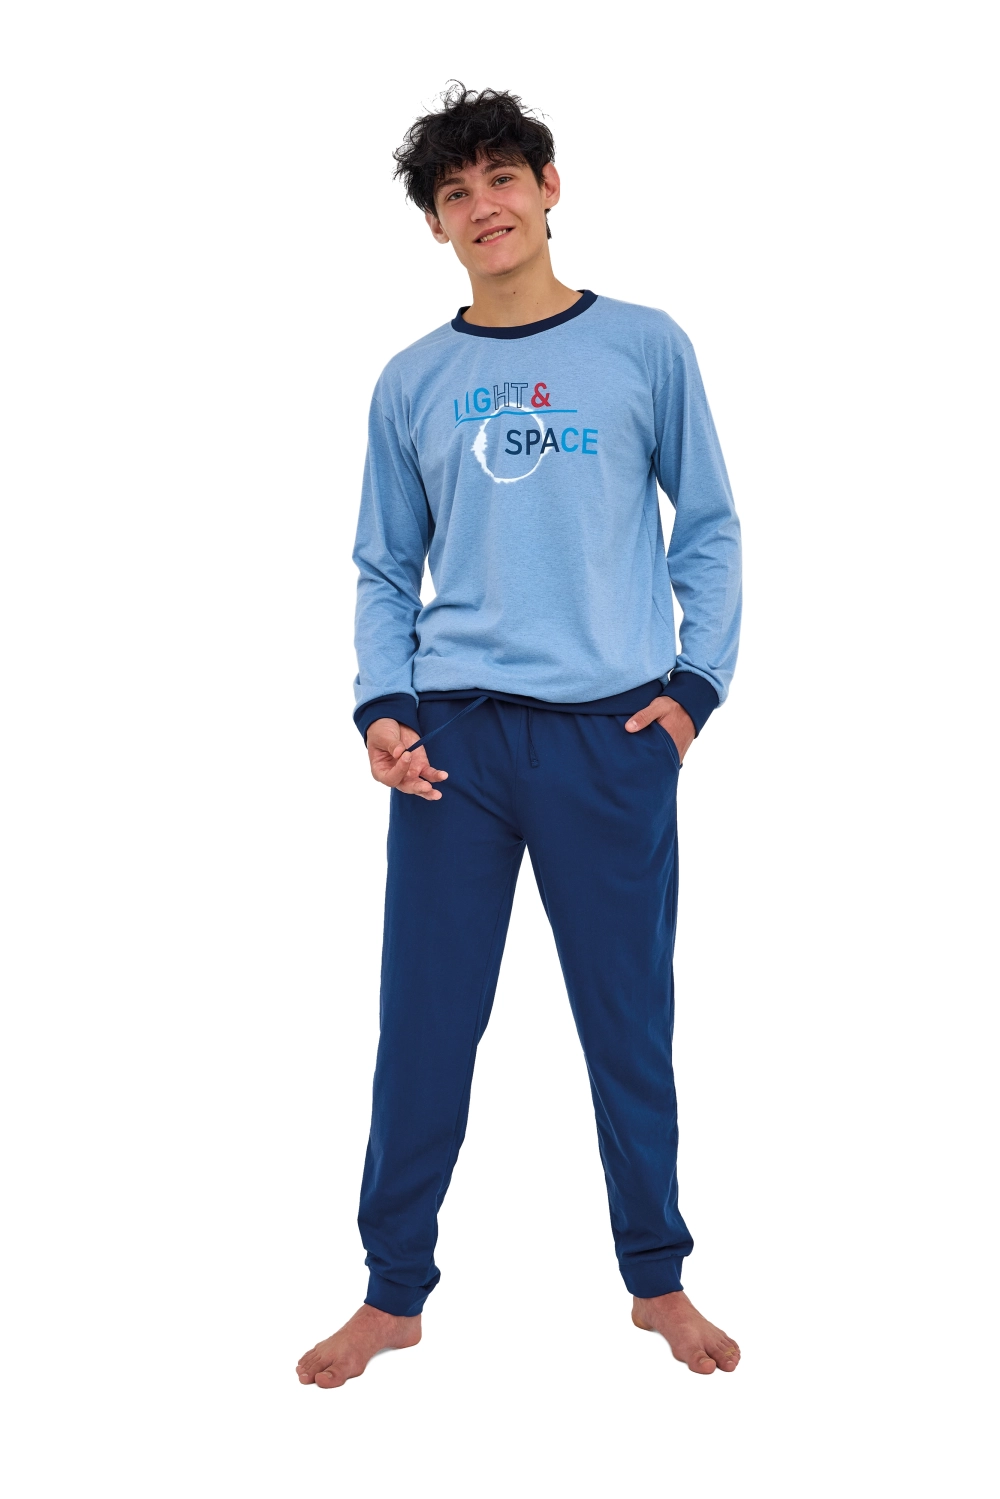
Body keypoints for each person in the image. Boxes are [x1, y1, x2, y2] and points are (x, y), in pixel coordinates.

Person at [297, 85, 742, 1389]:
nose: (482, 205)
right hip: (456, 745)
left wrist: (692, 690)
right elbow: (385, 565)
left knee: (628, 1023)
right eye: (455, 193)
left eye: (502, 178)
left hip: (614, 736)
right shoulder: (413, 381)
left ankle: (657, 1279)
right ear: (436, 227)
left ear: (550, 187)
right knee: (424, 1027)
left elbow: (710, 526)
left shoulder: (645, 346)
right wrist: (384, 707)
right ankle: (391, 1293)